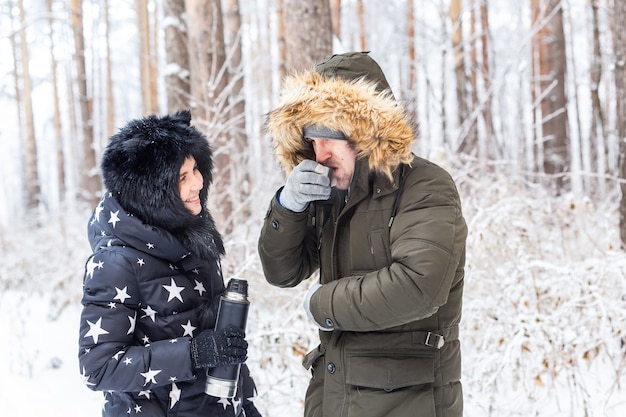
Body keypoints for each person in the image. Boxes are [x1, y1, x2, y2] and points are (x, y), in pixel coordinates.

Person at [258, 51, 467, 417]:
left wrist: (321, 304)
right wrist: (288, 208)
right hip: (333, 394)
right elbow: (282, 272)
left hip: (407, 400)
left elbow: (418, 286)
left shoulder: (425, 185)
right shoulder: (329, 194)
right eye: (312, 140)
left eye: (329, 138)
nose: (319, 154)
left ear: (364, 131)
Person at [78, 110, 262, 417]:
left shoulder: (192, 238)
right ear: (150, 192)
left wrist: (245, 406)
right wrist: (192, 353)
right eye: (183, 177)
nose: (198, 184)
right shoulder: (116, 263)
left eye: (196, 170)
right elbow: (97, 367)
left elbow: (219, 349)